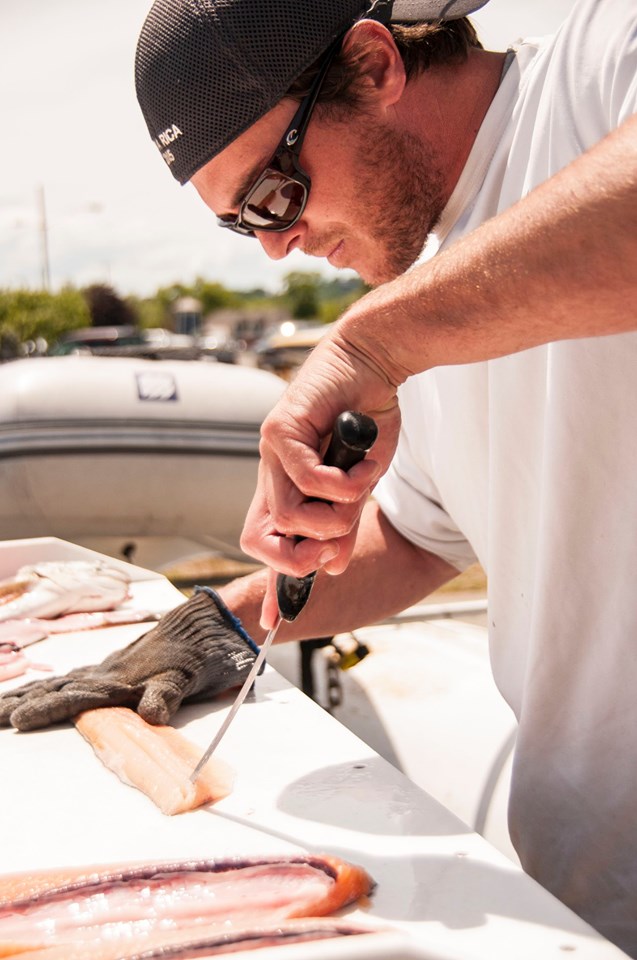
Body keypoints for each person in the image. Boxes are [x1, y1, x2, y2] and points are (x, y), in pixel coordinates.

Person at [1, 0, 636, 951]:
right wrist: (219, 622)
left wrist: (371, 345)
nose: (271, 246)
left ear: (375, 64)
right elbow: (421, 534)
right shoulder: (425, 286)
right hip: (582, 901)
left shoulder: (598, 71)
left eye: (273, 193)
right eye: (236, 224)